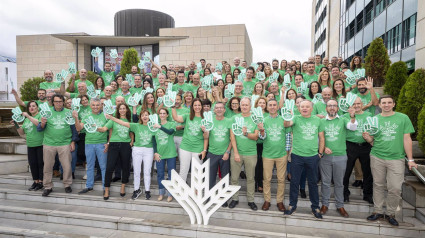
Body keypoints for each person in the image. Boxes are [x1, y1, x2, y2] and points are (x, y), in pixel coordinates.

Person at [363, 95, 418, 226]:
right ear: (380, 105)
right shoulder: (374, 120)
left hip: (396, 158)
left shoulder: (403, 118)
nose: (386, 105)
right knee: (378, 185)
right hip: (377, 156)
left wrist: (410, 159)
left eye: (389, 102)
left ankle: (390, 213)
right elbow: (372, 141)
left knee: (394, 188)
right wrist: (368, 139)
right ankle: (377, 211)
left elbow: (407, 139)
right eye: (383, 103)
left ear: (394, 104)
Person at [284, 100, 325, 219]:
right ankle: (292, 205)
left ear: (312, 109)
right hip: (297, 155)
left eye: (307, 106)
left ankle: (315, 207)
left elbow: (321, 138)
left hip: (313, 156)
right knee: (294, 182)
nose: (304, 108)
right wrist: (288, 116)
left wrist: (320, 153)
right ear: (299, 108)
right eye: (302, 107)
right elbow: (286, 124)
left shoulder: (318, 120)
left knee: (313, 183)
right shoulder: (295, 118)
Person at [319, 99, 357, 218]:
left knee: (339, 183)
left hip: (341, 156)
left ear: (338, 108)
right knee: (325, 182)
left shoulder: (343, 119)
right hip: (325, 157)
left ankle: (340, 205)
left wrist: (352, 116)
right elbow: (316, 137)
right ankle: (324, 204)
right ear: (326, 108)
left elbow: (353, 127)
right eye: (329, 106)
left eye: (334, 106)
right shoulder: (321, 121)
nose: (332, 108)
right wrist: (323, 148)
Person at [37, 94, 78, 197]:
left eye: (60, 101)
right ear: (53, 102)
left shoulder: (68, 113)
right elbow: (39, 128)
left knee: (67, 166)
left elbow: (74, 129)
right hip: (49, 144)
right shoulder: (47, 112)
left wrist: (73, 141)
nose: (58, 103)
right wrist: (42, 123)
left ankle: (67, 184)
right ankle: (47, 186)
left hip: (65, 143)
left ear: (63, 102)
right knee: (47, 166)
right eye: (56, 101)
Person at [258, 99, 291, 212]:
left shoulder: (284, 120)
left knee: (281, 179)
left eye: (274, 105)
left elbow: (288, 136)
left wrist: (286, 152)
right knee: (267, 179)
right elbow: (262, 137)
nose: (272, 107)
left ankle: (279, 201)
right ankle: (267, 200)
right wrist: (261, 130)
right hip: (267, 154)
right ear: (267, 107)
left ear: (278, 107)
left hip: (281, 155)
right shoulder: (264, 120)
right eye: (270, 105)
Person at [229, 97, 260, 211]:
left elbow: (256, 136)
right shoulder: (234, 118)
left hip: (251, 153)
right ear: (240, 106)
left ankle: (251, 200)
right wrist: (235, 153)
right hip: (237, 152)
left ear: (250, 106)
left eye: (246, 105)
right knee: (234, 178)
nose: (244, 107)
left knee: (251, 178)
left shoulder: (255, 119)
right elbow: (232, 137)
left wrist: (246, 133)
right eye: (242, 105)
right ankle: (234, 198)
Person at [73, 98, 109, 194]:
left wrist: (108, 142)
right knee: (90, 165)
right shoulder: (87, 116)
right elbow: (79, 128)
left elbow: (110, 130)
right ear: (90, 106)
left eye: (97, 105)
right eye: (93, 105)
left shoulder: (105, 116)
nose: (95, 107)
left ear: (101, 106)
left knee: (103, 166)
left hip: (102, 143)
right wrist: (76, 118)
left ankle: (105, 187)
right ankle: (89, 186)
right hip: (89, 143)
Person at [98, 103, 132, 200]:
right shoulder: (112, 120)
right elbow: (104, 129)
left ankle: (123, 187)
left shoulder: (129, 120)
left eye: (123, 108)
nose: (122, 110)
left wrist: (132, 141)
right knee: (109, 167)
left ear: (126, 110)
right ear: (118, 110)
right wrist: (95, 128)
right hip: (114, 145)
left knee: (125, 166)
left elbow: (131, 132)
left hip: (125, 145)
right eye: (120, 108)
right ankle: (107, 189)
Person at [343, 97, 373, 204]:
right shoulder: (345, 116)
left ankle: (368, 194)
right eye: (354, 104)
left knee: (367, 171)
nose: (356, 105)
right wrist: (352, 116)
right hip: (350, 146)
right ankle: (345, 193)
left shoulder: (368, 116)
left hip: (365, 146)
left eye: (358, 103)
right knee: (346, 171)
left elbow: (373, 129)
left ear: (362, 104)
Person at [171, 98, 208, 182]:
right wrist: (173, 106)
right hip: (185, 147)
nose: (197, 107)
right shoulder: (188, 116)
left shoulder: (205, 119)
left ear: (202, 106)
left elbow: (206, 137)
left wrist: (204, 150)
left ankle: (196, 192)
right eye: (195, 105)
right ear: (192, 106)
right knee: (183, 169)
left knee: (197, 171)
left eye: (199, 105)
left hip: (198, 148)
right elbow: (176, 118)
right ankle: (181, 192)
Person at [14, 101, 44, 191]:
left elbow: (39, 125)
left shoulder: (40, 116)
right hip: (30, 144)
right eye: (30, 106)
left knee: (40, 163)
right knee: (33, 164)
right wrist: (16, 124)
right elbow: (22, 133)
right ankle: (35, 181)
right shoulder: (26, 119)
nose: (31, 108)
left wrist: (28, 116)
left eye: (33, 106)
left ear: (37, 107)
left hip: (40, 144)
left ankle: (41, 182)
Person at [206, 102, 232, 206]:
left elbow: (232, 139)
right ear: (214, 110)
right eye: (217, 108)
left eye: (221, 108)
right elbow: (205, 137)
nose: (219, 109)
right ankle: (210, 196)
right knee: (210, 177)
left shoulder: (229, 121)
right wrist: (205, 131)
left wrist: (227, 152)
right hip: (212, 153)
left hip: (224, 154)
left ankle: (223, 199)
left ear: (224, 110)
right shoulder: (210, 121)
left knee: (224, 178)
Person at [154, 108, 177, 202]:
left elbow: (170, 132)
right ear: (159, 115)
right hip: (160, 154)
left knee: (171, 174)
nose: (162, 115)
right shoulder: (154, 125)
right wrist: (155, 152)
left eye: (164, 113)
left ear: (167, 115)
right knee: (160, 174)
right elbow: (153, 140)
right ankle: (161, 193)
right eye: (161, 113)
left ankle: (170, 194)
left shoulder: (171, 123)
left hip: (171, 153)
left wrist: (160, 127)